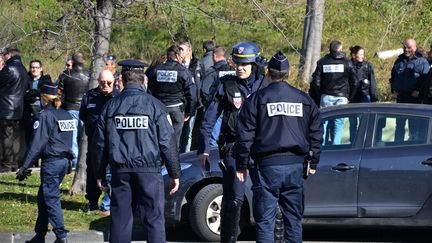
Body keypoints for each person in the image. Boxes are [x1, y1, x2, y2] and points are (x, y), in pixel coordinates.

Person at [235, 51, 323, 243]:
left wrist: (241, 164)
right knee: (293, 220)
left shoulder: (257, 99)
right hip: (295, 167)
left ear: (268, 73)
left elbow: (245, 135)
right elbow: (316, 131)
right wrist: (314, 160)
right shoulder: (303, 99)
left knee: (265, 221)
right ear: (288, 74)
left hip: (266, 167)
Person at [91, 59, 180, 243]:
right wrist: (174, 172)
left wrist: (99, 174)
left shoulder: (110, 107)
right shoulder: (156, 106)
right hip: (149, 172)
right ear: (143, 80)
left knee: (120, 221)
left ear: (122, 79)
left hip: (120, 172)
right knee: (153, 220)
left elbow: (99, 144)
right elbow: (167, 142)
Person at [198, 42, 268, 242]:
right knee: (233, 200)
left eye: (244, 64)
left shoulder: (265, 84)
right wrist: (203, 149)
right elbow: (209, 119)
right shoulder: (226, 84)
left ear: (254, 64)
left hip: (260, 150)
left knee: (267, 199)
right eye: (237, 63)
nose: (240, 68)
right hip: (233, 149)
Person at [17, 83, 75, 243]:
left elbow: (37, 143)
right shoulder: (66, 115)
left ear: (44, 98)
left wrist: (24, 166)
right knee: (44, 196)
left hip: (51, 163)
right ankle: (40, 234)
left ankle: (61, 235)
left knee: (51, 198)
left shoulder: (45, 115)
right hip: (63, 162)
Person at [79, 70, 118, 215]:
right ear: (98, 81)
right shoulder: (90, 96)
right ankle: (93, 202)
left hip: (112, 143)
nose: (106, 85)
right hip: (94, 142)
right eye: (103, 83)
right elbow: (83, 115)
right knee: (93, 172)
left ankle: (109, 204)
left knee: (111, 173)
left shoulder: (117, 97)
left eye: (109, 83)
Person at [147, 44, 197, 149]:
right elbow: (192, 94)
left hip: (159, 110)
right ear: (178, 56)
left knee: (158, 140)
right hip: (176, 110)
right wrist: (189, 112)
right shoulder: (183, 71)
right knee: (174, 142)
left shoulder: (156, 70)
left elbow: (149, 91)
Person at [311, 40, 358, 145]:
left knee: (323, 122)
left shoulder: (322, 62)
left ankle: (320, 147)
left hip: (326, 96)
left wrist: (321, 93)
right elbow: (355, 82)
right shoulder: (347, 63)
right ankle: (335, 146)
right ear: (340, 49)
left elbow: (316, 81)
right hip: (341, 97)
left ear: (330, 49)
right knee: (339, 123)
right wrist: (350, 97)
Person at [389, 38, 430, 141]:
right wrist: (393, 89)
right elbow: (393, 77)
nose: (406, 49)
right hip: (401, 99)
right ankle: (396, 147)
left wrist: (420, 92)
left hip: (414, 101)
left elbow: (427, 81)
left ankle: (412, 151)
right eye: (405, 47)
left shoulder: (422, 62)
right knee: (399, 126)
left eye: (409, 47)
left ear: (415, 48)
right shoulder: (399, 61)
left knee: (414, 127)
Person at [0, 47, 31, 172]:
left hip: (7, 108)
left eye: (5, 55)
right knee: (15, 137)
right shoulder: (23, 69)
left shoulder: (9, 68)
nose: (4, 57)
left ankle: (7, 164)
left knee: (6, 136)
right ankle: (14, 162)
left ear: (9, 54)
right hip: (18, 108)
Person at [58, 52, 90, 168]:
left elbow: (59, 93)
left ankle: (75, 161)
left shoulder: (66, 75)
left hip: (70, 108)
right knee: (84, 136)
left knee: (72, 137)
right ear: (83, 61)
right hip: (84, 109)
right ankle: (81, 161)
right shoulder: (90, 75)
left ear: (72, 61)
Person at [201, 46, 236, 148]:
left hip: (217, 105)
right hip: (232, 107)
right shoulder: (235, 71)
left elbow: (204, 89)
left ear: (214, 56)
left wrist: (209, 103)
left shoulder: (213, 71)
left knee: (213, 138)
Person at [178, 40, 201, 153]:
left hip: (192, 104)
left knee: (187, 134)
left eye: (182, 49)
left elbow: (199, 86)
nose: (179, 52)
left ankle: (184, 156)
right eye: (178, 49)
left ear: (189, 51)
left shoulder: (197, 65)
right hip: (178, 105)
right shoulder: (176, 65)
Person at [24, 60, 53, 145]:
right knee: (28, 138)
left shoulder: (46, 80)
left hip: (41, 110)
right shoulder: (26, 79)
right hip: (28, 110)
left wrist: (37, 93)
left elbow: (49, 94)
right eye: (33, 67)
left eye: (37, 67)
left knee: (39, 137)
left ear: (41, 68)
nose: (35, 69)